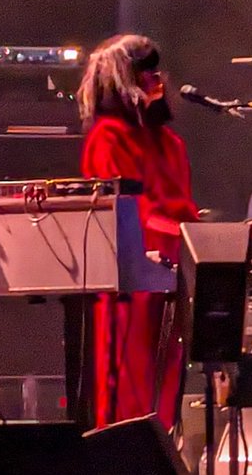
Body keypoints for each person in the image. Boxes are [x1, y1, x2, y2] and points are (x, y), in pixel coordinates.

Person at [76, 34, 199, 429]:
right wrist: (184, 235)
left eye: (157, 70)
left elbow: (181, 207)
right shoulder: (108, 137)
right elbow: (127, 212)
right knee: (132, 390)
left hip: (176, 275)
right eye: (147, 71)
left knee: (167, 383)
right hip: (131, 284)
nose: (156, 78)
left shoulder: (170, 143)